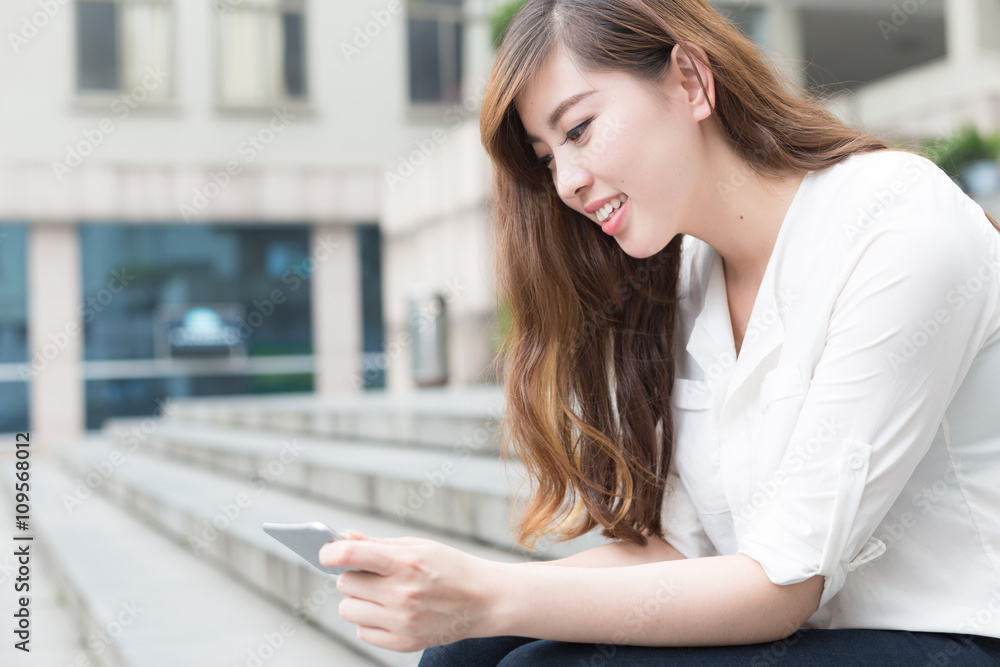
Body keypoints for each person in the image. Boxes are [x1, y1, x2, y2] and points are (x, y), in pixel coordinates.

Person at [319, 0, 1000, 664]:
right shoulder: (691, 274)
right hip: (803, 635)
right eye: (547, 156)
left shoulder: (896, 224)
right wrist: (457, 592)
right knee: (462, 654)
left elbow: (780, 587)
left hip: (947, 634)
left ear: (691, 81)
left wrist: (491, 594)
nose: (568, 184)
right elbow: (682, 547)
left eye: (578, 129)